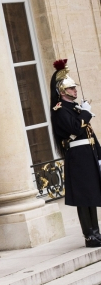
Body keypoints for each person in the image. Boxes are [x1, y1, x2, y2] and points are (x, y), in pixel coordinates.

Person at [50, 59, 101, 247]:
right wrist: (86, 115)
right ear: (62, 92)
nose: (75, 91)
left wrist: (100, 155)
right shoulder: (60, 110)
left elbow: (90, 135)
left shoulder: (76, 108)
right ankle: (89, 236)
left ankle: (96, 232)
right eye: (71, 89)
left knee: (92, 194)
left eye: (74, 88)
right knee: (83, 197)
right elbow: (76, 128)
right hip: (77, 157)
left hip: (88, 154)